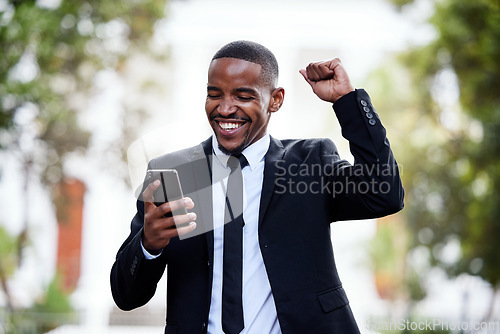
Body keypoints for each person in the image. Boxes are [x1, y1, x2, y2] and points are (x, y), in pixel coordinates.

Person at [110, 40, 404, 334]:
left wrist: (347, 102)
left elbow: (383, 195)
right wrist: (148, 245)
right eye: (214, 94)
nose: (225, 109)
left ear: (275, 99)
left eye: (243, 96)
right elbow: (126, 296)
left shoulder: (311, 163)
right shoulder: (173, 174)